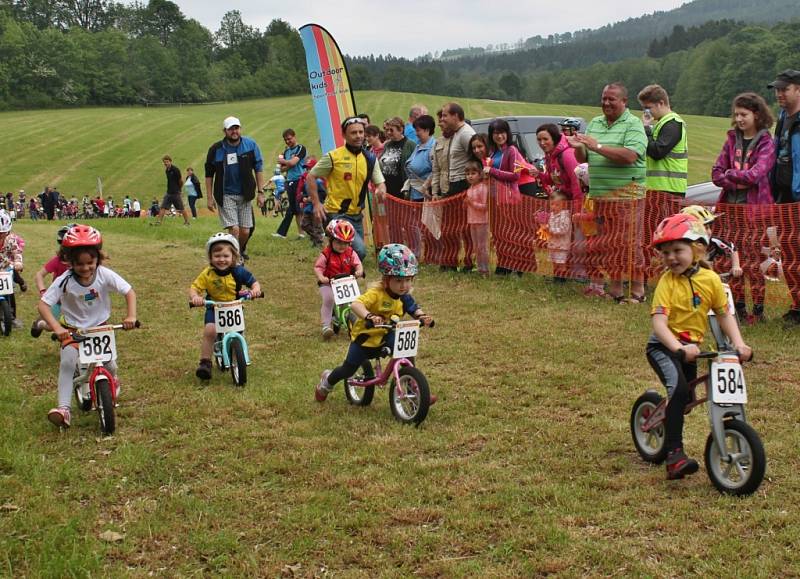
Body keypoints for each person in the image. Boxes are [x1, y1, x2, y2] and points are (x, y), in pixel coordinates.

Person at [647, 212, 751, 480]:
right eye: (665, 252)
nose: (671, 258)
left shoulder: (711, 280)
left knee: (687, 401)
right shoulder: (667, 282)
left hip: (691, 350)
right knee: (680, 391)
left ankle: (667, 413)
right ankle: (674, 455)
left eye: (677, 250)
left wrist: (739, 344)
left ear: (697, 248)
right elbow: (659, 324)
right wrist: (677, 347)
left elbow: (724, 314)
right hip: (664, 348)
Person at [38, 225, 137, 428]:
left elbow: (129, 291)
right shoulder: (63, 281)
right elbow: (43, 305)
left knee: (110, 364)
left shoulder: (104, 274)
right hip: (74, 331)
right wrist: (58, 329)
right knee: (67, 363)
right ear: (69, 261)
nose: (85, 268)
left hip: (101, 328)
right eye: (79, 264)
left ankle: (113, 379)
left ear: (97, 259)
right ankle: (64, 409)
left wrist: (131, 316)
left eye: (90, 262)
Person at [314, 243, 434, 402]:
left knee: (406, 353)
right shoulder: (376, 294)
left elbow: (413, 309)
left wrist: (422, 317)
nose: (404, 286)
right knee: (347, 370)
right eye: (398, 280)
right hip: (365, 338)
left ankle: (414, 388)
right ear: (386, 279)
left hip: (385, 335)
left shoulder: (403, 296)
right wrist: (369, 316)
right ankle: (327, 382)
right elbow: (356, 304)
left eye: (408, 280)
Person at [568, 83, 648, 302]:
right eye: (603, 98)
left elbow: (630, 156)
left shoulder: (633, 124)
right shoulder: (595, 123)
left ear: (624, 101)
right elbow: (584, 158)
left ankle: (638, 289)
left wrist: (597, 147)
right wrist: (578, 147)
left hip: (627, 196)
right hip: (601, 196)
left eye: (611, 99)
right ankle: (615, 287)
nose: (606, 103)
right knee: (609, 242)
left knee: (630, 244)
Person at [711, 92, 775, 324]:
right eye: (736, 114)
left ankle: (757, 311)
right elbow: (716, 173)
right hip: (729, 210)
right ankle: (737, 307)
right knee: (731, 258)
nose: (739, 119)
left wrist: (731, 174)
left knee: (754, 261)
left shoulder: (767, 142)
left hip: (755, 211)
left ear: (756, 114)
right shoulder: (731, 140)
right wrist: (734, 177)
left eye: (744, 114)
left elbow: (756, 174)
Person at [307, 116, 387, 260]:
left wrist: (381, 189)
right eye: (353, 133)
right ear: (344, 135)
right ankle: (331, 261)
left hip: (357, 215)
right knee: (360, 251)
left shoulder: (370, 158)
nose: (358, 136)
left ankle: (332, 260)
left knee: (354, 256)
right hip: (336, 213)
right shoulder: (333, 157)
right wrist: (316, 203)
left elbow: (380, 182)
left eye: (361, 132)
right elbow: (311, 176)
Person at [189, 233, 262, 380]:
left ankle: (237, 355)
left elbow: (253, 282)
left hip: (234, 305)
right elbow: (194, 288)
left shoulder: (239, 271)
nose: (221, 259)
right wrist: (195, 297)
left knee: (238, 332)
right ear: (210, 257)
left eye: (226, 256)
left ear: (233, 256)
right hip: (214, 307)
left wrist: (255, 290)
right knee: (210, 331)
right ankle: (205, 362)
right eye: (217, 256)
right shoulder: (207, 274)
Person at [205, 116, 266, 257]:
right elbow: (209, 175)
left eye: (236, 128)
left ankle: (237, 251)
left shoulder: (250, 145)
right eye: (231, 129)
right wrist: (209, 197)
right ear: (224, 131)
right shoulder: (216, 149)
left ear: (240, 129)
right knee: (235, 229)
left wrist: (261, 192)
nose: (234, 131)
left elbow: (258, 168)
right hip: (225, 194)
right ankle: (235, 259)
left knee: (245, 231)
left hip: (245, 195)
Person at [767, 70, 800, 326]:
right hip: (783, 195)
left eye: (784, 89)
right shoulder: (782, 117)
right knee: (788, 252)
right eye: (777, 89)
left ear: (798, 90)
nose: (779, 94)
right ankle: (796, 305)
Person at [314, 220, 364, 339]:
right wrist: (322, 277)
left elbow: (358, 264)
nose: (342, 246)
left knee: (356, 301)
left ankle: (357, 322)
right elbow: (318, 267)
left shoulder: (351, 253)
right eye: (338, 242)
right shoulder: (326, 254)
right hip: (329, 283)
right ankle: (326, 326)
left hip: (346, 281)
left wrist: (359, 271)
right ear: (331, 240)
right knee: (329, 299)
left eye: (346, 243)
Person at [638, 84, 688, 197]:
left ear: (661, 103)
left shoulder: (672, 123)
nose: (646, 112)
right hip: (659, 189)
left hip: (668, 190)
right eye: (644, 109)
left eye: (648, 108)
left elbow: (657, 152)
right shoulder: (662, 123)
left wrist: (646, 128)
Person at [31, 224, 75, 337]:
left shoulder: (83, 264)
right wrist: (43, 291)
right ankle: (41, 324)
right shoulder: (57, 261)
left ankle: (63, 330)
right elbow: (39, 275)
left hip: (75, 300)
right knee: (50, 326)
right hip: (59, 300)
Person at [274, 129, 307, 239]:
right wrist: (289, 163)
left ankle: (284, 233)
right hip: (289, 181)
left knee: (298, 208)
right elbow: (281, 169)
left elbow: (293, 162)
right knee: (295, 209)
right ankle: (301, 233)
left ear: (294, 136)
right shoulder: (286, 152)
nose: (288, 141)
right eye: (285, 140)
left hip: (300, 180)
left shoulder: (301, 148)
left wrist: (286, 162)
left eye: (289, 139)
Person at [463, 160, 490, 275]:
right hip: (472, 221)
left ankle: (485, 269)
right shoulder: (469, 189)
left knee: (482, 246)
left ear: (480, 174)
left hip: (482, 221)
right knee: (476, 247)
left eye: (473, 173)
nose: (470, 176)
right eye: (468, 174)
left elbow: (485, 206)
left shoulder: (483, 188)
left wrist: (472, 203)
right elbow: (469, 206)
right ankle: (480, 268)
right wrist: (465, 204)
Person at [380, 116, 416, 199]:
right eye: (387, 130)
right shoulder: (387, 144)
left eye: (391, 130)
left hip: (401, 192)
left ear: (401, 130)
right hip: (387, 192)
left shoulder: (410, 145)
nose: (388, 133)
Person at [0, 210, 25, 327]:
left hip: (5, 267)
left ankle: (13, 317)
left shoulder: (11, 240)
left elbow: (16, 252)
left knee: (9, 292)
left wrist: (18, 262)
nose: (0, 235)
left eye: (3, 233)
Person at [153, 156, 190, 226]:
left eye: (167, 162)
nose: (166, 163)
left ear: (170, 161)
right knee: (162, 207)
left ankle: (187, 222)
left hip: (176, 193)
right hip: (168, 193)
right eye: (164, 162)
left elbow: (181, 181)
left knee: (181, 208)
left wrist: (179, 189)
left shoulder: (176, 170)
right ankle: (158, 222)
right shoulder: (167, 170)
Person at [298, 159, 326, 247]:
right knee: (304, 224)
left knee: (316, 225)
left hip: (316, 208)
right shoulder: (306, 181)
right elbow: (303, 192)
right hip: (307, 207)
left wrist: (314, 198)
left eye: (309, 169)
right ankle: (318, 237)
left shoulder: (318, 182)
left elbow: (323, 194)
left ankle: (318, 242)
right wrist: (304, 198)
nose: (307, 171)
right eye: (306, 169)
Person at [547, 188, 573, 282]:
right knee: (554, 262)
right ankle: (556, 277)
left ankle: (562, 280)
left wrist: (550, 230)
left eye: (557, 205)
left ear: (564, 205)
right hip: (553, 244)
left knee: (561, 263)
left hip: (562, 245)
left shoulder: (565, 216)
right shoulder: (551, 215)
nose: (554, 207)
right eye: (552, 204)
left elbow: (563, 230)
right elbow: (549, 226)